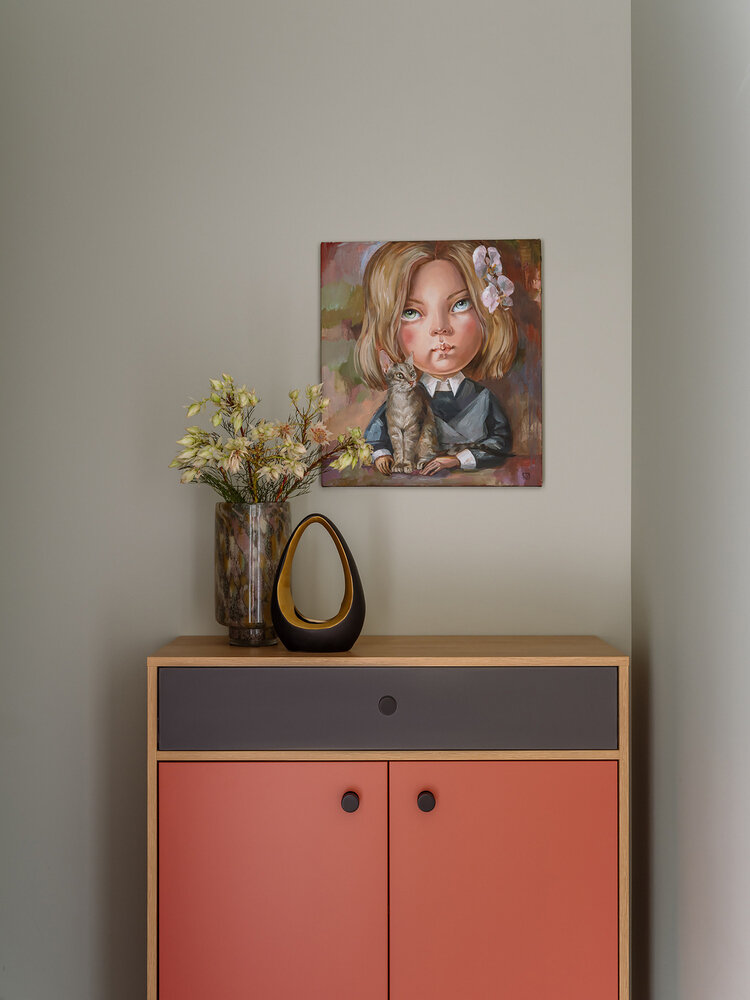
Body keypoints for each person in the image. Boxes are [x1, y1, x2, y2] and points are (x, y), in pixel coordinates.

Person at [354, 241, 518, 476]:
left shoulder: (482, 399)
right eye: (411, 312)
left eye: (460, 304)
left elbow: (500, 443)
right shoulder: (404, 396)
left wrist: (457, 460)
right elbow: (376, 434)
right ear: (388, 327)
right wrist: (381, 453)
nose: (440, 328)